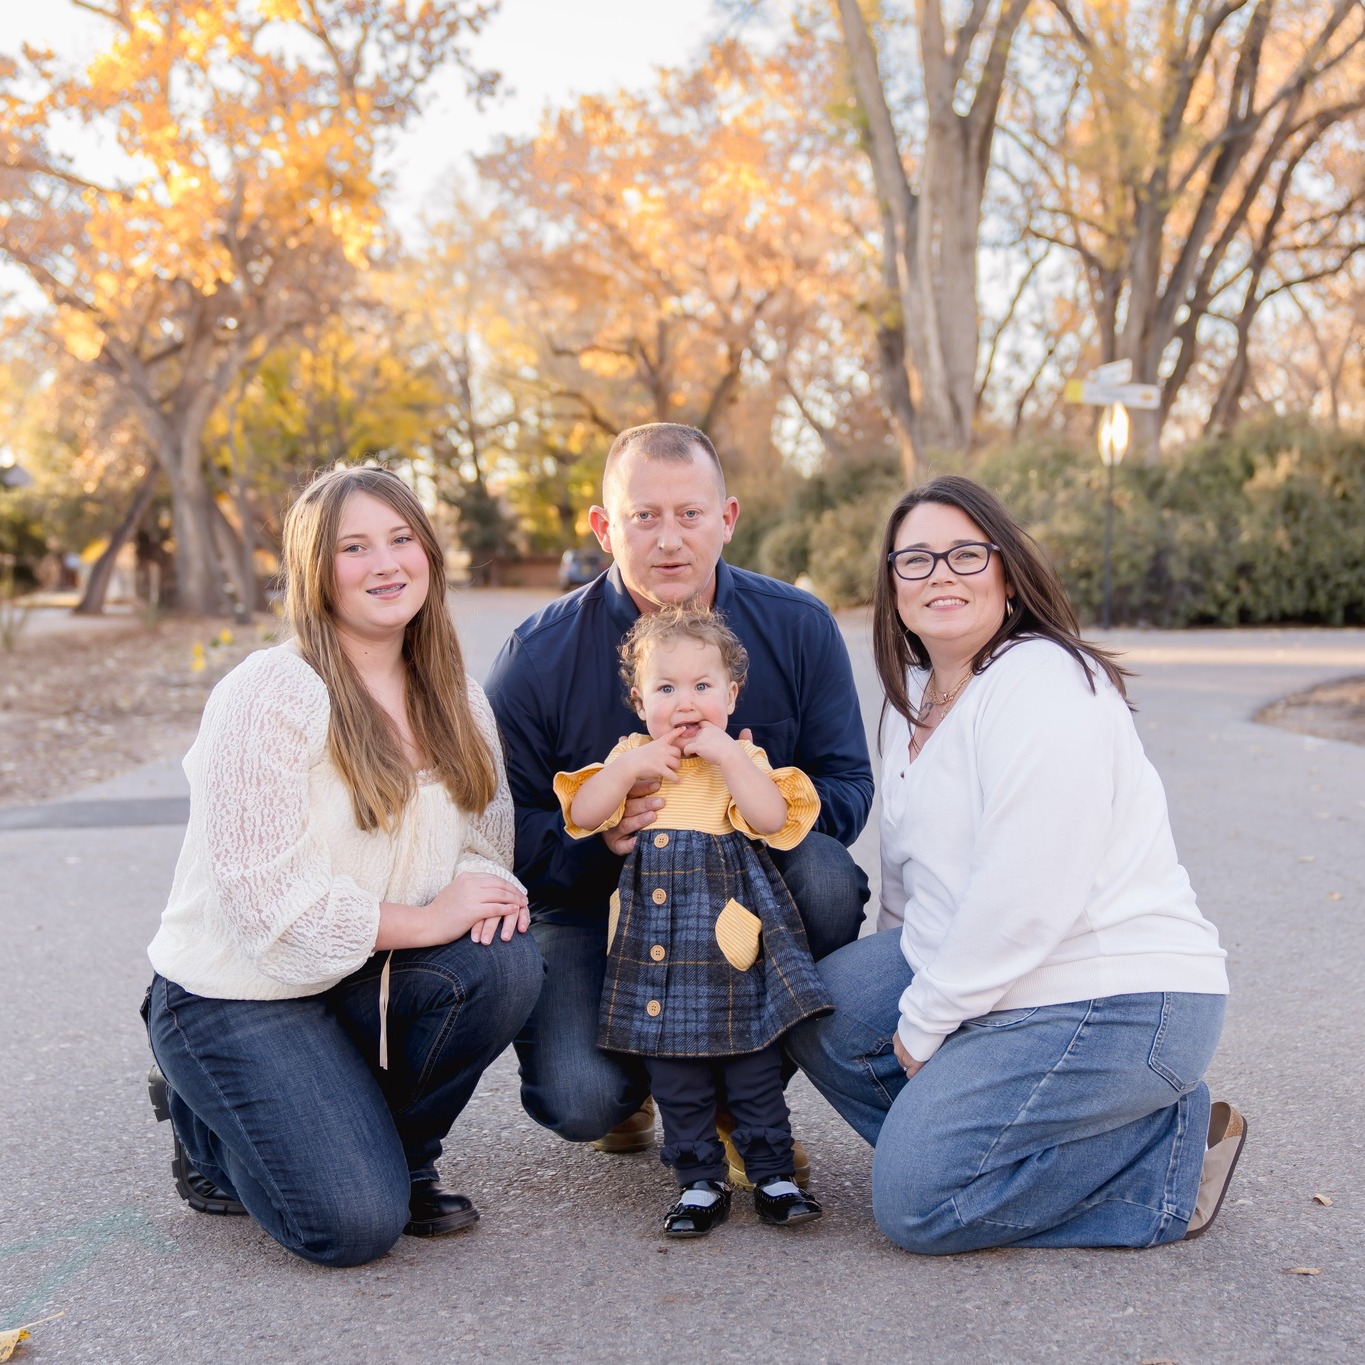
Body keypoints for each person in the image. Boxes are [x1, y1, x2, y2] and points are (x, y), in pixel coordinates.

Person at [787, 473, 1243, 1253]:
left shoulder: (1044, 681)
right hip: (1004, 975)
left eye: (965, 553)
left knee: (914, 1206)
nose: (940, 574)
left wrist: (928, 1020)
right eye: (915, 560)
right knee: (821, 1009)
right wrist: (899, 987)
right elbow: (909, 881)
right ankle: (979, 1145)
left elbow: (1027, 891)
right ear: (891, 584)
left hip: (1118, 995)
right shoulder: (913, 701)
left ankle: (1164, 1154)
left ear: (1005, 572)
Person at [141, 466, 544, 1268]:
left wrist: (485, 893)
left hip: (357, 971)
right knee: (353, 1226)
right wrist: (431, 920)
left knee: (503, 963)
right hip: (237, 992)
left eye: (400, 539)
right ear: (314, 573)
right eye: (353, 547)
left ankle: (403, 1153)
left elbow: (483, 841)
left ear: (428, 552)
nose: (385, 563)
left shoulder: (455, 695)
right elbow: (273, 915)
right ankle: (205, 1126)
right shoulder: (270, 693)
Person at [486, 422, 872, 1183]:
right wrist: (600, 840)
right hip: (591, 906)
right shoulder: (536, 658)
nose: (669, 539)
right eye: (643, 516)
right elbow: (501, 829)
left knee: (826, 877)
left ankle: (733, 1099)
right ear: (604, 527)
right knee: (579, 1096)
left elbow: (849, 790)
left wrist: (744, 806)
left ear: (726, 519)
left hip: (742, 901)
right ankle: (629, 1087)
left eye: (689, 514)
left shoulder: (797, 626)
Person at [555, 606, 829, 1235]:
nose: (686, 703)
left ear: (732, 696)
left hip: (729, 948)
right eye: (667, 688)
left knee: (752, 1068)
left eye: (703, 687)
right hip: (656, 951)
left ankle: (772, 1173)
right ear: (639, 699)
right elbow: (585, 812)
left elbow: (768, 820)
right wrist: (626, 769)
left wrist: (729, 758)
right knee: (674, 1076)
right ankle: (698, 1181)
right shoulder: (633, 756)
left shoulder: (742, 759)